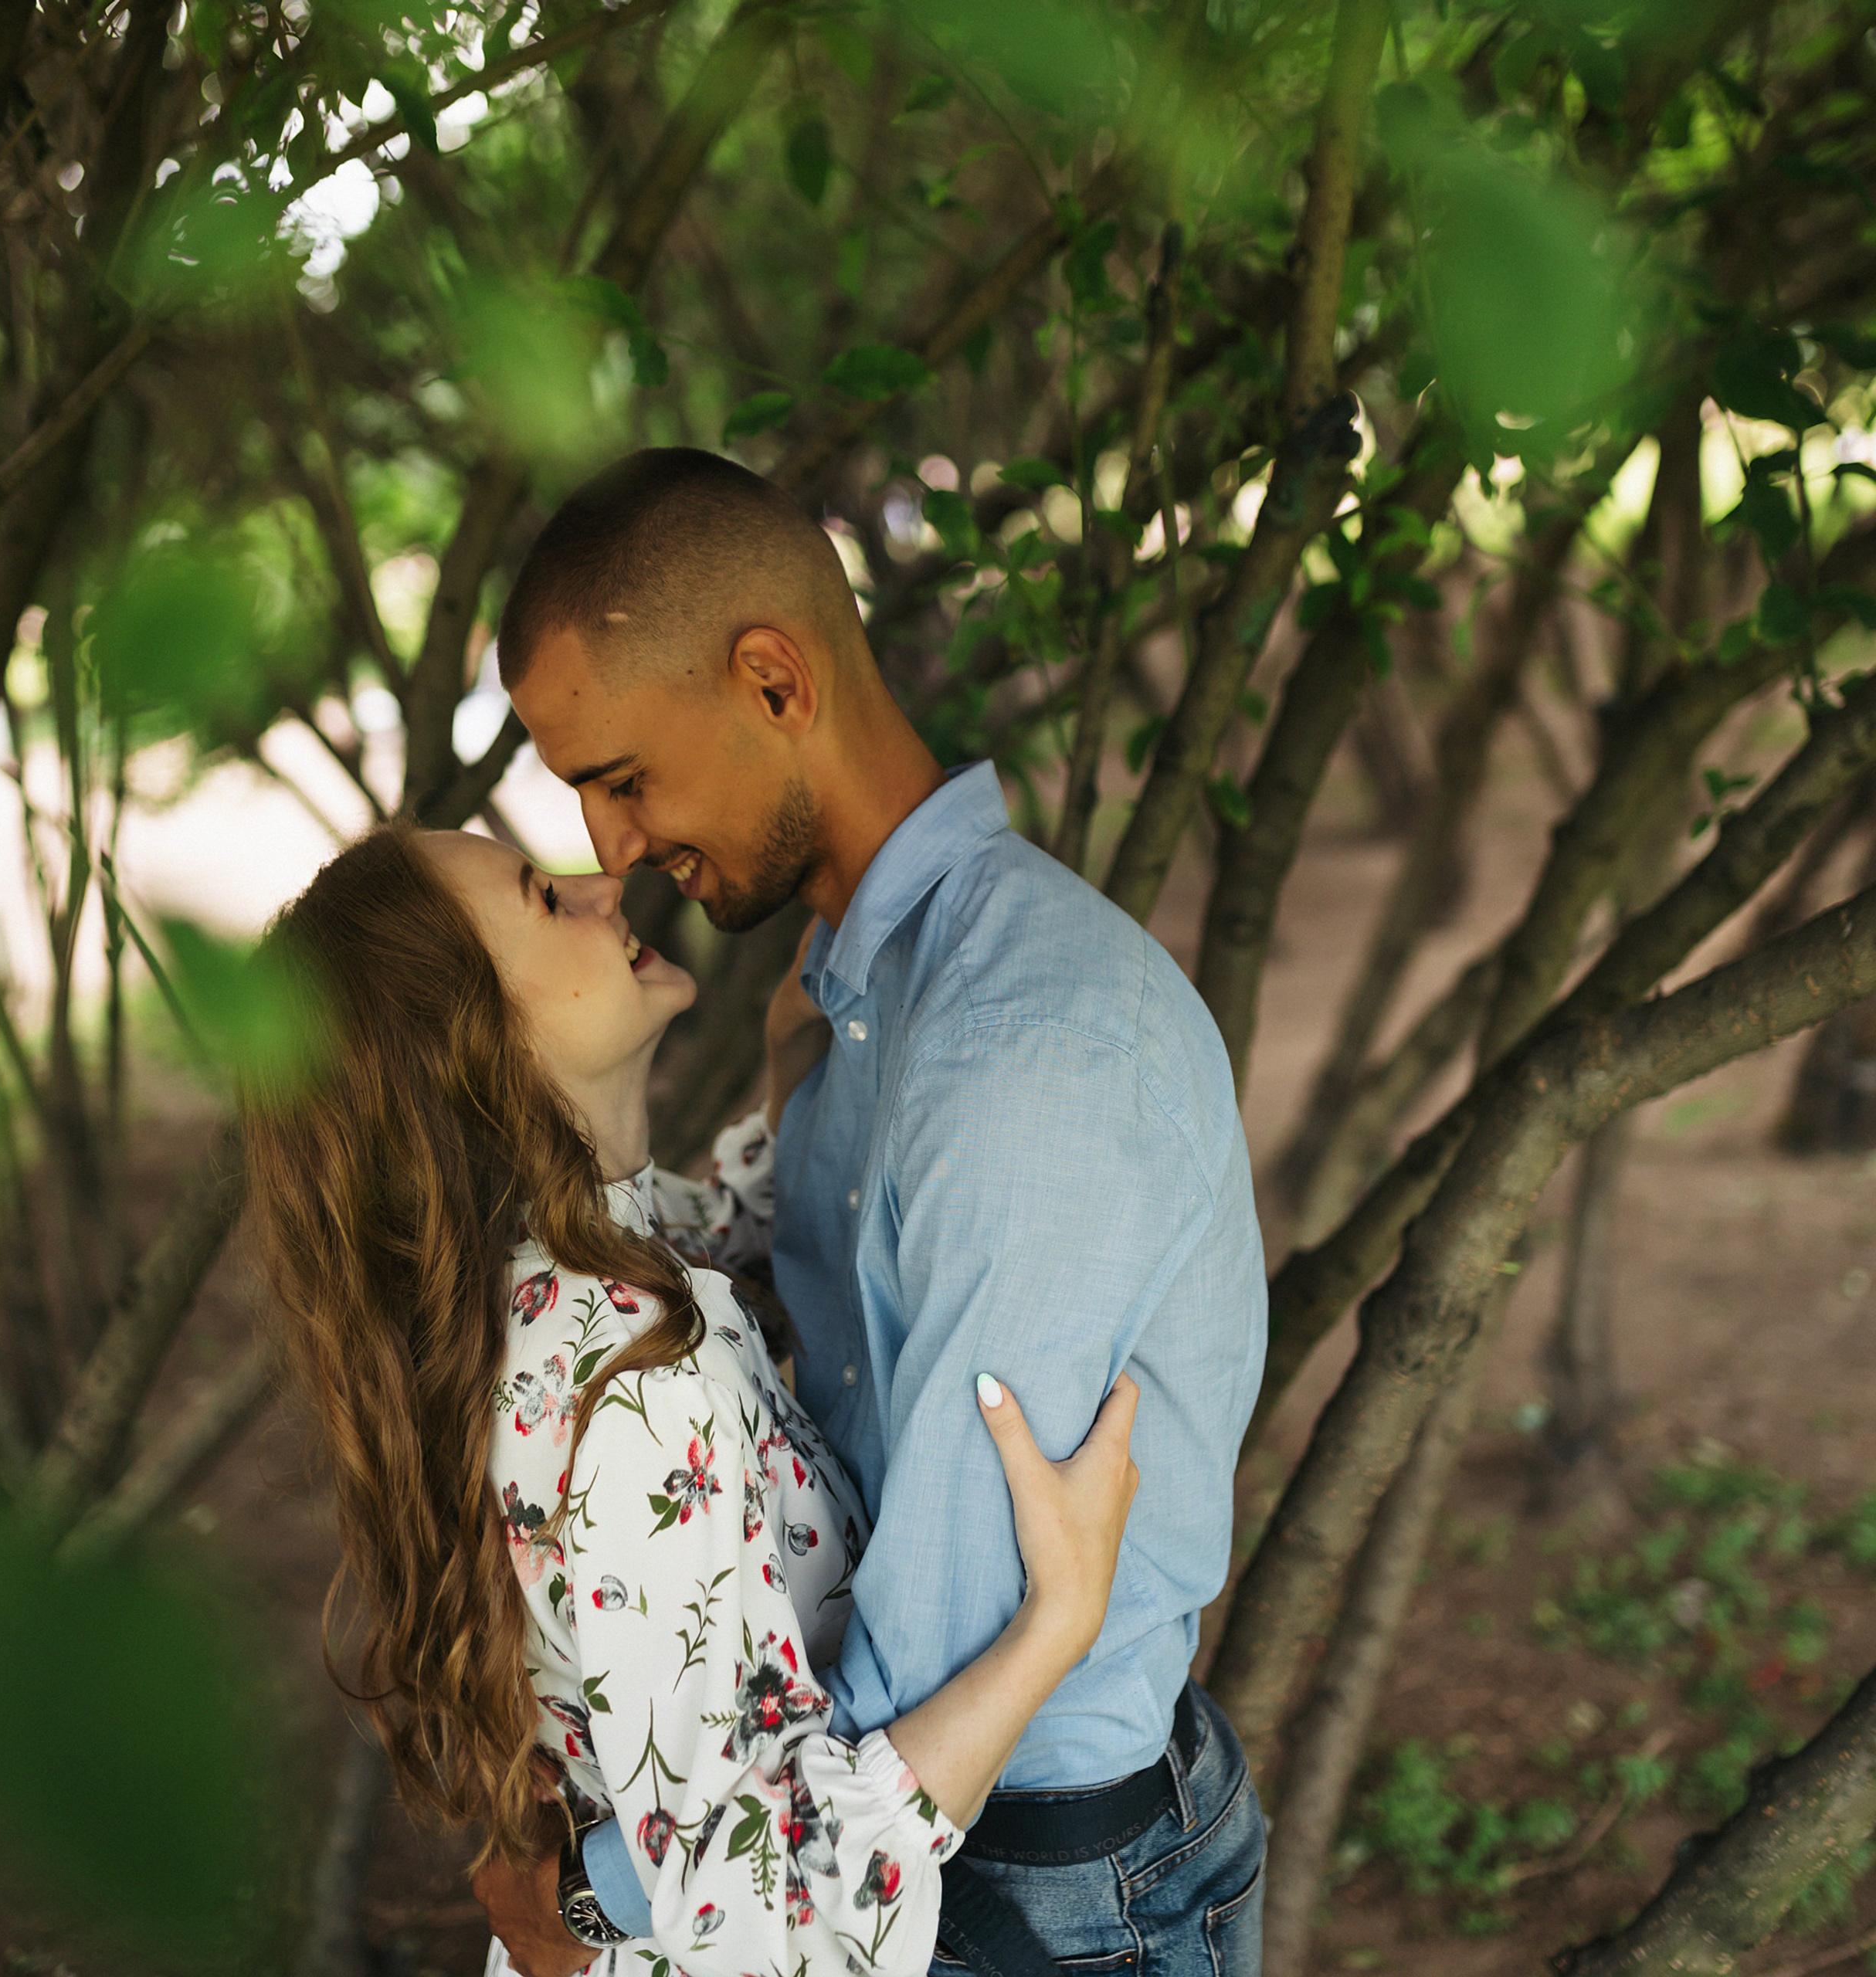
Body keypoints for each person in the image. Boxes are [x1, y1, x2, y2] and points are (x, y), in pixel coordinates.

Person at [494, 447, 1270, 1977]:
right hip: (929, 1838)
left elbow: (946, 1638)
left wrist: (601, 1885)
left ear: (774, 682)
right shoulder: (864, 994)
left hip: (1025, 1875)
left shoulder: (1021, 1048)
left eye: (624, 779)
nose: (610, 848)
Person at [239, 821, 1142, 1977]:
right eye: (542, 897)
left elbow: (712, 1237)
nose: (604, 884)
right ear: (472, 1044)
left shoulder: (548, 1274)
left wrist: (794, 1077)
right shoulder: (639, 1382)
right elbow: (774, 1915)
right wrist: (1056, 1625)